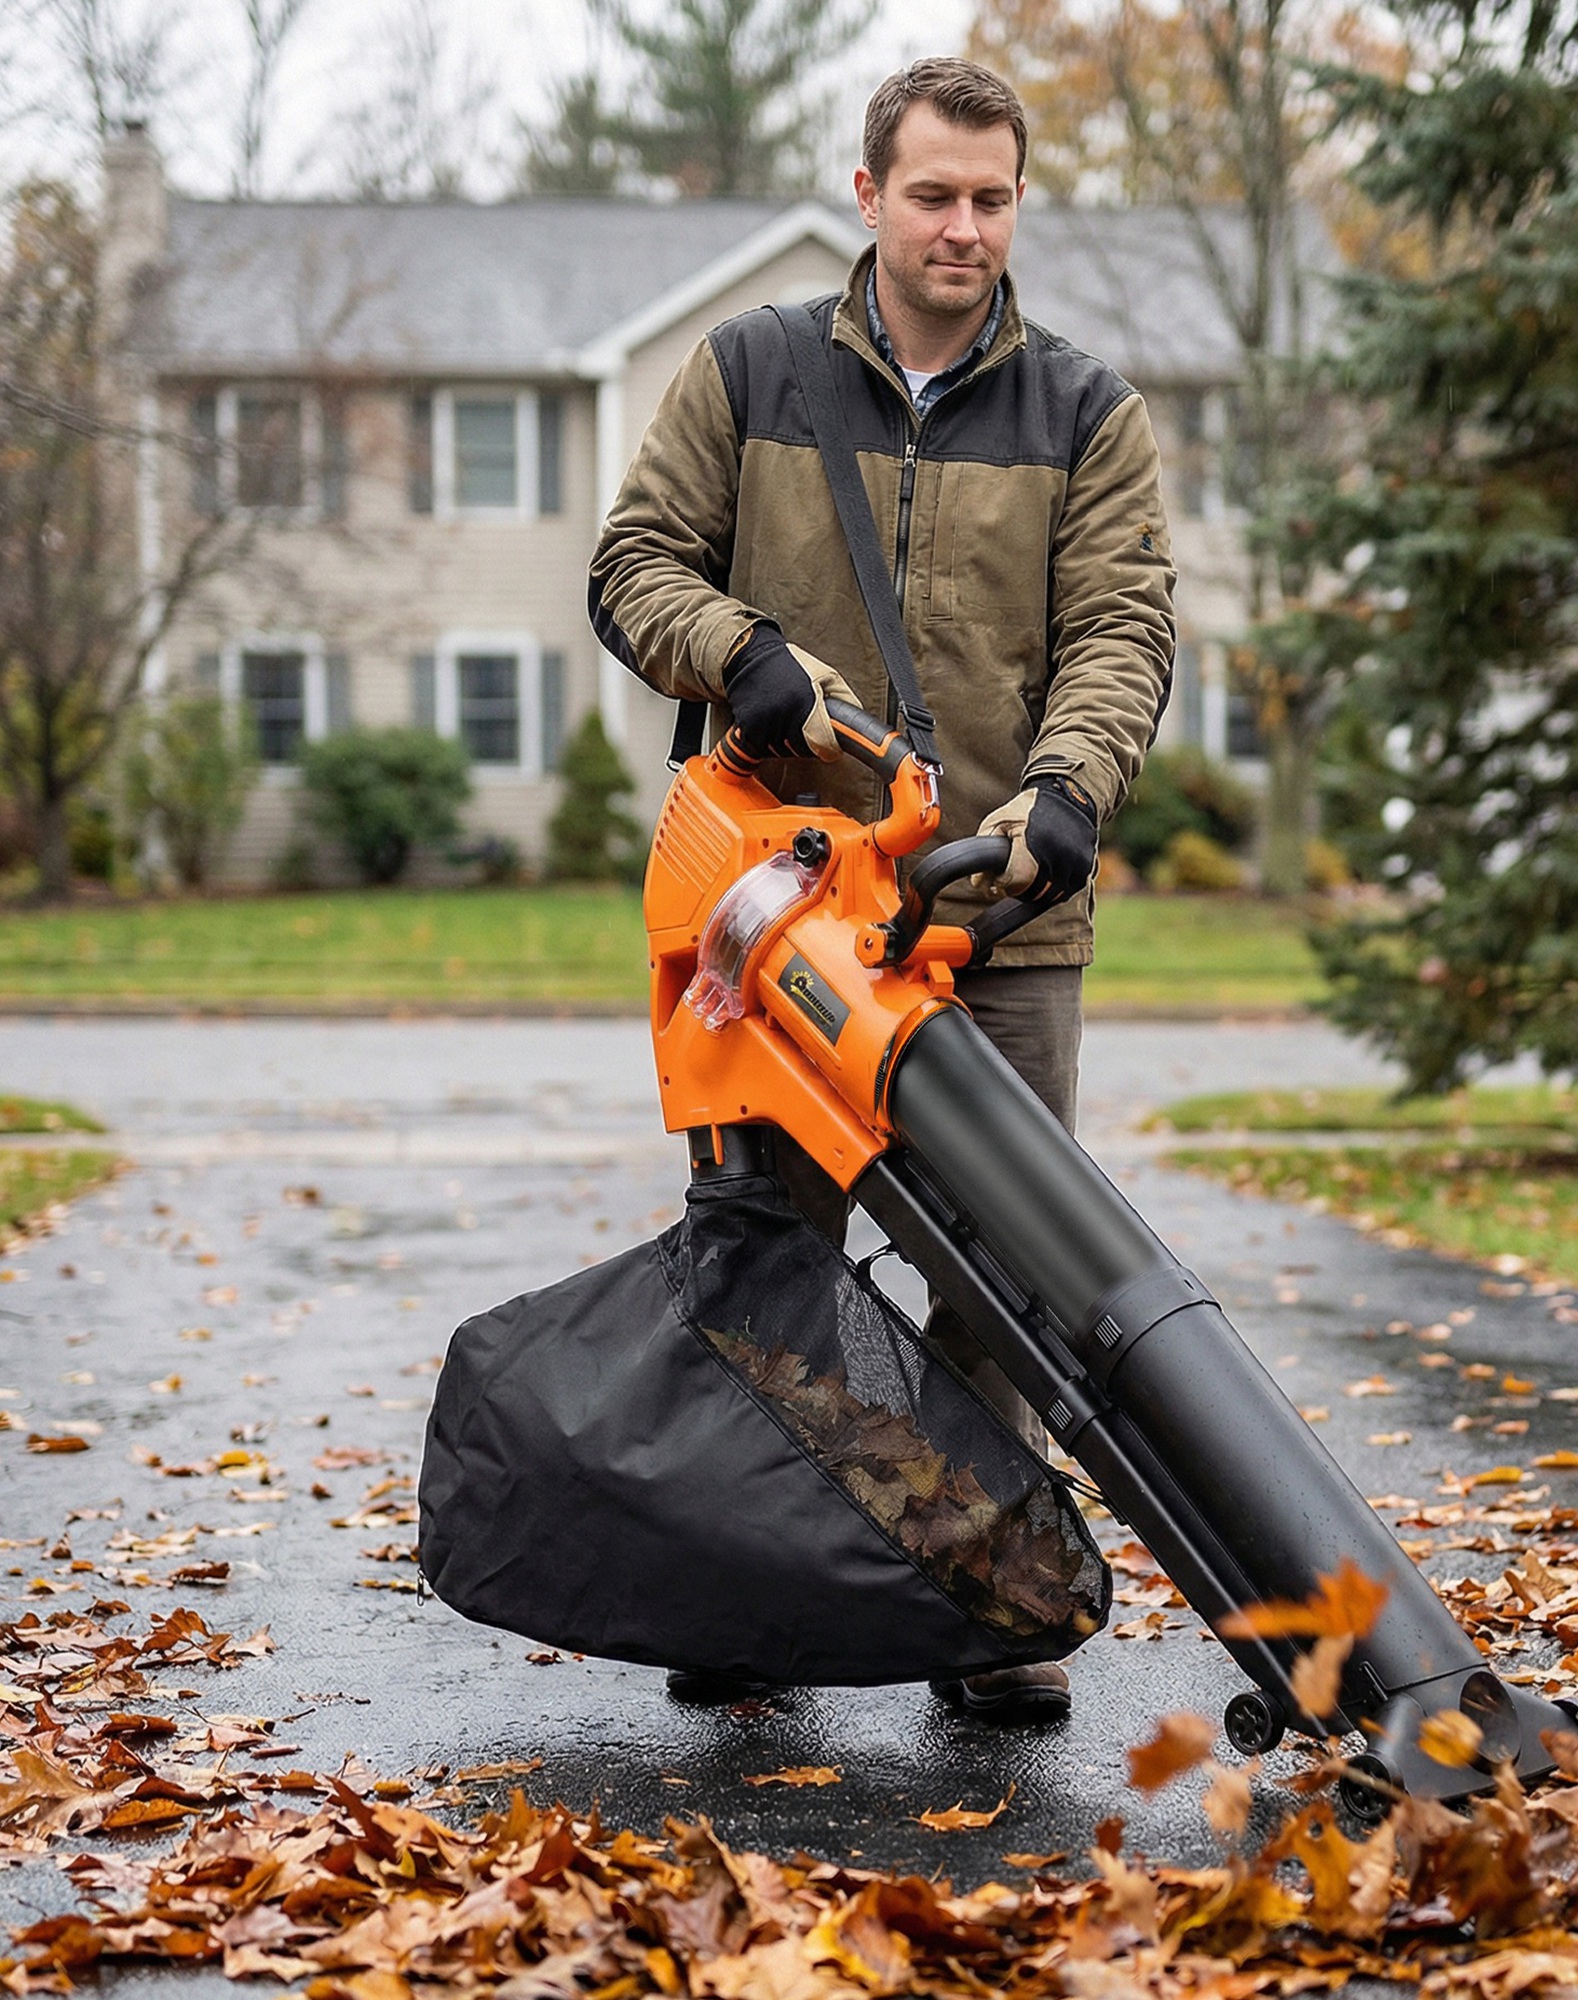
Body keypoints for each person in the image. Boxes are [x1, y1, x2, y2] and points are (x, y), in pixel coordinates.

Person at [588, 56, 1176, 1721]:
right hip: (785, 929)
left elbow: (1124, 630)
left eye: (993, 199)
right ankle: (756, 1597)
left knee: (1010, 1283)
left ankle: (974, 1609)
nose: (965, 228)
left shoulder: (1086, 411)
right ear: (869, 195)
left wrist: (1066, 798)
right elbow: (632, 566)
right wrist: (739, 654)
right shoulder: (751, 369)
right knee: (768, 1258)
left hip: (1000, 921)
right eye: (935, 194)